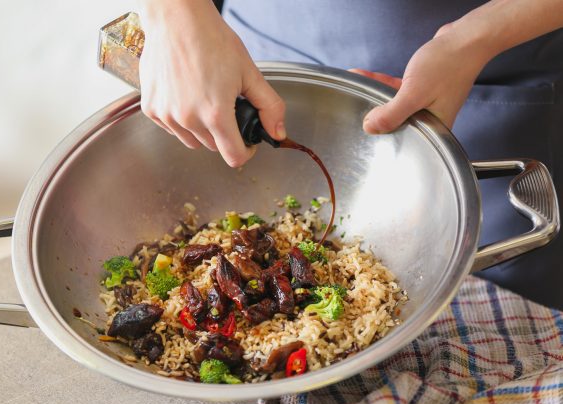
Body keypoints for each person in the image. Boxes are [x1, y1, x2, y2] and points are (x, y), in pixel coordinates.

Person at [136, 0, 563, 308]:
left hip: (476, 74)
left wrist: (471, 39)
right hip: (261, 46)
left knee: (486, 298)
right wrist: (172, 13)